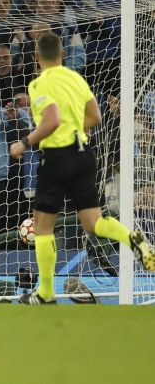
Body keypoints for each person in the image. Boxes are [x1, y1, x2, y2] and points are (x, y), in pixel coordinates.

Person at [8, 31, 155, 304]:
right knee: (94, 222)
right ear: (62, 54)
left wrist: (23, 143)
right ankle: (135, 239)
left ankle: (46, 293)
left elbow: (50, 120)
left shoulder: (39, 84)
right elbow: (96, 116)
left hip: (57, 158)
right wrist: (73, 128)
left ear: (36, 56)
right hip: (85, 154)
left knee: (42, 227)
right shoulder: (76, 78)